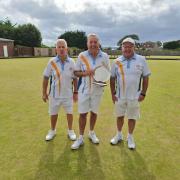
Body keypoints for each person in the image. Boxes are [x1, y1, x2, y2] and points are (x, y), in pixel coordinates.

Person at [110, 37, 151, 149]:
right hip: (119, 96)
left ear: (134, 47)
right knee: (119, 116)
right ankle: (119, 135)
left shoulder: (141, 59)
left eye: (130, 46)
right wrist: (113, 93)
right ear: (122, 48)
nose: (127, 49)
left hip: (135, 96)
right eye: (125, 46)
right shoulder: (116, 61)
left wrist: (143, 93)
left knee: (132, 117)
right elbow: (112, 78)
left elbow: (146, 77)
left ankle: (130, 136)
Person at [71, 33, 110, 150]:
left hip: (98, 90)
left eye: (95, 42)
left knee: (94, 113)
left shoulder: (105, 56)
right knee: (82, 114)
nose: (93, 44)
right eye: (91, 42)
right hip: (84, 90)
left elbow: (108, 72)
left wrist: (102, 80)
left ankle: (91, 132)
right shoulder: (82, 55)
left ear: (98, 43)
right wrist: (85, 73)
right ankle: (81, 137)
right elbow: (75, 72)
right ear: (87, 43)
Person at [42, 39, 78, 141]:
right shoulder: (51, 62)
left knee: (70, 113)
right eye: (59, 47)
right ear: (56, 49)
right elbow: (45, 77)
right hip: (54, 95)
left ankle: (70, 131)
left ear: (67, 49)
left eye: (63, 47)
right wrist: (44, 93)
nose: (61, 49)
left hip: (68, 94)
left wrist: (76, 92)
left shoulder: (72, 62)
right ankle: (52, 131)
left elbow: (75, 78)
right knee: (53, 114)